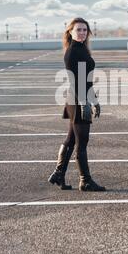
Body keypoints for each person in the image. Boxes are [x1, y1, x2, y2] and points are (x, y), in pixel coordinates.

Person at [47, 17, 106, 192]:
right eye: (78, 29)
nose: (82, 32)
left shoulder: (82, 49)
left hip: (79, 98)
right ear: (70, 32)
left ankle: (58, 174)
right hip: (78, 100)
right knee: (82, 142)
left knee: (71, 140)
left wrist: (95, 101)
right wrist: (84, 103)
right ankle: (85, 181)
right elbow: (75, 82)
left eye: (84, 30)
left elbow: (86, 81)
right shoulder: (73, 52)